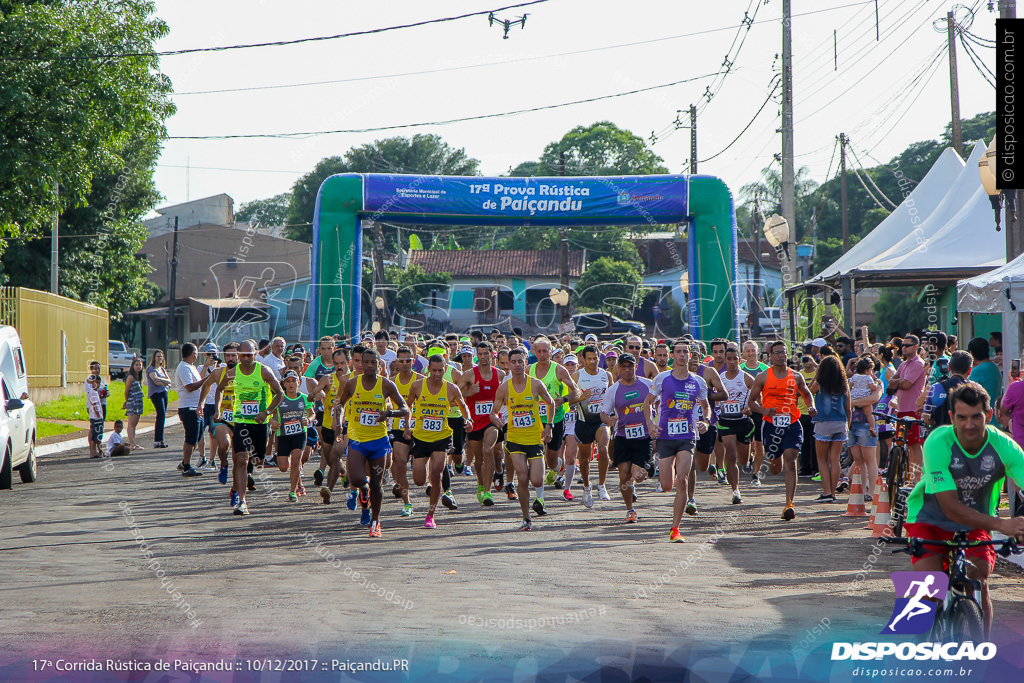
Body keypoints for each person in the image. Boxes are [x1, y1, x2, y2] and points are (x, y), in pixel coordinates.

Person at [903, 382, 1024, 637]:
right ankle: (918, 645)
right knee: (929, 588)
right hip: (930, 519)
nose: (969, 425)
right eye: (962, 418)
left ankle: (982, 650)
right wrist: (1004, 526)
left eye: (976, 417)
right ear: (951, 418)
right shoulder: (938, 441)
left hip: (977, 524)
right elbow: (950, 509)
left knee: (979, 581)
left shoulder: (1005, 447)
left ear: (988, 415)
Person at [336, 348, 409, 536]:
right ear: (359, 364)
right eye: (365, 362)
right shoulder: (352, 384)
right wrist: (338, 422)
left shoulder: (386, 385)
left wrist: (389, 413)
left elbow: (405, 408)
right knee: (358, 479)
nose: (368, 365)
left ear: (379, 364)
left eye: (372, 362)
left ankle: (375, 521)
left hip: (379, 440)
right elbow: (341, 405)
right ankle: (363, 490)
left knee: (377, 483)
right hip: (357, 439)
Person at [645, 341, 709, 541]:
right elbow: (647, 404)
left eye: (685, 352)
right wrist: (650, 425)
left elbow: (706, 406)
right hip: (665, 436)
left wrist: (705, 421)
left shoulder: (698, 382)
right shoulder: (662, 379)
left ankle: (675, 529)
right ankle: (666, 476)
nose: (682, 355)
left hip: (687, 437)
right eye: (678, 352)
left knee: (682, 479)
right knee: (666, 485)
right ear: (673, 355)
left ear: (690, 355)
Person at [747, 340, 816, 520]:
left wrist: (811, 407)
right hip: (771, 424)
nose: (780, 355)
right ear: (770, 356)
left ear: (787, 354)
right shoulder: (762, 377)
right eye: (777, 352)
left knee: (791, 460)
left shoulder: (796, 376)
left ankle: (789, 504)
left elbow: (807, 394)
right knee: (775, 465)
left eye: (783, 352)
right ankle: (774, 462)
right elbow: (751, 402)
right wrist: (763, 410)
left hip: (792, 423)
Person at [215, 340, 284, 515]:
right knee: (241, 459)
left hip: (260, 424)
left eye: (249, 355)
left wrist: (266, 412)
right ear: (239, 355)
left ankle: (245, 479)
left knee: (257, 461)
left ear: (255, 353)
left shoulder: (263, 371)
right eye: (243, 355)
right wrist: (217, 409)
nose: (246, 358)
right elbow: (219, 389)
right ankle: (242, 501)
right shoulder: (232, 373)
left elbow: (280, 394)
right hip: (241, 423)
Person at [490, 348, 554, 531]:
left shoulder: (536, 384)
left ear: (526, 363)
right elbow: (493, 412)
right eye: (514, 362)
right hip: (515, 439)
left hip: (534, 438)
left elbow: (551, 402)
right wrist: (495, 418)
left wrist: (549, 426)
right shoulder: (504, 388)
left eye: (520, 361)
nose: (517, 365)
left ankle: (536, 499)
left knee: (537, 480)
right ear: (509, 365)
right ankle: (526, 517)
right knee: (522, 477)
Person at [406, 354, 469, 530]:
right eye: (433, 370)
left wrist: (468, 420)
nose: (437, 374)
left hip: (442, 437)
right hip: (420, 437)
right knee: (419, 480)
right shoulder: (417, 386)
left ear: (445, 370)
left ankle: (430, 515)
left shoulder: (451, 388)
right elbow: (408, 406)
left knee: (437, 472)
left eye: (440, 370)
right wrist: (407, 426)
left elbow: (463, 406)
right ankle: (426, 475)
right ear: (428, 370)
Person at [600, 353, 655, 524]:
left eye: (630, 366)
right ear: (618, 368)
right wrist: (608, 420)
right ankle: (630, 510)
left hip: (644, 437)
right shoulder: (613, 390)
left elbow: (660, 403)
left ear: (635, 367)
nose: (627, 369)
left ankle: (648, 465)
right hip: (623, 436)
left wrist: (657, 423)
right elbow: (603, 412)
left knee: (637, 475)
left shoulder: (647, 384)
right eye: (623, 366)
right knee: (624, 476)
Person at [528, 336, 581, 514]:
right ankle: (540, 499)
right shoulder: (529, 370)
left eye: (545, 351)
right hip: (535, 421)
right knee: (537, 458)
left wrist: (564, 399)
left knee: (551, 461)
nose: (542, 354)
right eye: (539, 351)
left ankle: (557, 465)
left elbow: (577, 392)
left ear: (551, 351)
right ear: (534, 352)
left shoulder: (559, 370)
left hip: (556, 420)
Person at [457, 340, 505, 507]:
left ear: (492, 354)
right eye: (480, 354)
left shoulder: (500, 375)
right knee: (478, 459)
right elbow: (455, 396)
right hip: (475, 422)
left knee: (489, 450)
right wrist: (469, 392)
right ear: (477, 355)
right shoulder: (469, 375)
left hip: (492, 421)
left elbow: (507, 395)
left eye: (486, 353)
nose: (483, 357)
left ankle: (488, 492)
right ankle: (481, 484)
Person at [571, 344, 613, 507]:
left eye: (595, 358)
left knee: (603, 448)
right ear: (583, 359)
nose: (593, 361)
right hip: (583, 421)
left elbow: (612, 395)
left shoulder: (606, 375)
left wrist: (613, 414)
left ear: (599, 357)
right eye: (589, 359)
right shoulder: (576, 376)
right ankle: (587, 487)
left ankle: (602, 486)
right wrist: (580, 398)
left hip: (601, 420)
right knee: (584, 458)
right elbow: (569, 400)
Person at [715, 344, 755, 505]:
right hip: (726, 421)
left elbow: (757, 395)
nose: (732, 362)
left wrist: (750, 407)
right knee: (730, 453)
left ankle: (749, 458)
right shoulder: (720, 378)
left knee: (743, 461)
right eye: (729, 359)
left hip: (743, 422)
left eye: (734, 359)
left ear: (739, 360)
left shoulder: (746, 378)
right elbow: (713, 394)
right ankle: (736, 491)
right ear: (725, 360)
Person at [809, 356, 852, 503]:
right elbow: (848, 409)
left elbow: (808, 391)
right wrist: (848, 427)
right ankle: (833, 493)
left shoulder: (820, 383)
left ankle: (826, 492)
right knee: (835, 460)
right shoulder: (844, 385)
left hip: (823, 423)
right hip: (841, 423)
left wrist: (816, 375)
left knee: (822, 459)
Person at [269, 371, 315, 503]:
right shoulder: (279, 399)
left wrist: (309, 420)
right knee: (283, 467)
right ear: (283, 384)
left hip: (300, 434)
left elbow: (312, 414)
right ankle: (294, 471)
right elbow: (269, 415)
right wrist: (273, 423)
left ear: (298, 383)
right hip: (283, 435)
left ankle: (293, 491)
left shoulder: (304, 398)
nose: (291, 384)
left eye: (293, 381)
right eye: (288, 381)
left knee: (295, 462)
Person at [888, 334, 927, 483]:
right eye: (902, 345)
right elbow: (892, 383)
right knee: (905, 444)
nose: (903, 348)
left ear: (916, 347)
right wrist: (898, 381)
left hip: (913, 409)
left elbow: (905, 384)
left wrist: (897, 381)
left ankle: (917, 478)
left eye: (907, 345)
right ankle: (910, 477)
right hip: (901, 410)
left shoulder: (918, 363)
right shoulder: (903, 364)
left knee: (915, 444)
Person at [389, 346, 423, 517]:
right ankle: (407, 503)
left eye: (408, 361)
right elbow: (385, 402)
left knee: (419, 477)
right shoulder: (391, 382)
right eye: (401, 361)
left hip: (420, 428)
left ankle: (432, 484)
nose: (404, 364)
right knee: (400, 464)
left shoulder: (421, 380)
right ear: (396, 361)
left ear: (414, 360)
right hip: (398, 428)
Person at [173, 343, 205, 477]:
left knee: (197, 436)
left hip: (195, 407)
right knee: (191, 438)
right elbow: (190, 387)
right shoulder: (183, 367)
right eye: (196, 353)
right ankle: (186, 466)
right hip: (188, 408)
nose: (197, 355)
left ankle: (185, 462)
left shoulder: (191, 367)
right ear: (193, 354)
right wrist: (207, 379)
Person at [740, 340, 768, 486]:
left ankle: (756, 475)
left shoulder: (765, 369)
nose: (751, 353)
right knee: (744, 444)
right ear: (743, 353)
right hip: (742, 412)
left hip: (759, 410)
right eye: (748, 351)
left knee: (759, 444)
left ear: (758, 352)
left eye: (753, 350)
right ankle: (747, 458)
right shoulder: (739, 369)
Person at [923, 351, 972, 428]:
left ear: (949, 367)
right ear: (969, 371)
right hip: (966, 436)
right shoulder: (975, 389)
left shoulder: (936, 388)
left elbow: (927, 418)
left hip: (942, 436)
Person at [198, 342, 223, 468]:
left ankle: (212, 460)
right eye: (209, 354)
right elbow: (198, 381)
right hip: (204, 403)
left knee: (213, 433)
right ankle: (202, 457)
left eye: (214, 353)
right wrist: (206, 366)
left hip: (215, 404)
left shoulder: (222, 367)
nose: (212, 356)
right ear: (205, 355)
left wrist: (216, 365)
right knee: (199, 432)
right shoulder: (200, 367)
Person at [968, 337, 1002, 421]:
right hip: (996, 418)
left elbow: (967, 394)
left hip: (983, 420)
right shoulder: (995, 368)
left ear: (971, 353)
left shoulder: (977, 371)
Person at [146, 350, 172, 448]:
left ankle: (161, 440)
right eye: (158, 356)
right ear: (154, 357)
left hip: (164, 393)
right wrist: (165, 382)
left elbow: (169, 381)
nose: (159, 358)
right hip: (156, 394)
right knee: (161, 414)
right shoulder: (151, 369)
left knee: (163, 416)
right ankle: (157, 440)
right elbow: (155, 381)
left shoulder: (162, 369)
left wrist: (164, 382)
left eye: (161, 356)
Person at [122, 358, 145, 450]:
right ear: (132, 366)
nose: (138, 366)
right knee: (131, 424)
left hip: (139, 401)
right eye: (136, 365)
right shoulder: (130, 377)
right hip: (133, 401)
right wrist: (127, 402)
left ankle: (134, 442)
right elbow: (126, 392)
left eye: (140, 365)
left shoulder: (139, 377)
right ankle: (132, 443)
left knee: (135, 424)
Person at [86, 366, 104, 459]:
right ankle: (94, 452)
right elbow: (94, 405)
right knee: (97, 435)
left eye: (98, 383)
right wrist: (99, 416)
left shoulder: (94, 392)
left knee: (95, 435)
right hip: (96, 417)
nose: (97, 384)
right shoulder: (93, 393)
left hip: (95, 417)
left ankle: (96, 452)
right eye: (96, 382)